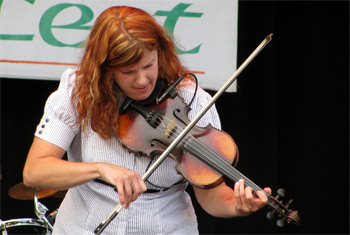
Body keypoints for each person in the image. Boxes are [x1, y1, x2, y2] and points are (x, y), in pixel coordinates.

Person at [23, 6, 271, 235]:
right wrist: (100, 169)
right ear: (104, 69)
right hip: (83, 228)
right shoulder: (78, 91)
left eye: (148, 65)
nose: (141, 80)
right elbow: (35, 172)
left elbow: (211, 196)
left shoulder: (191, 100)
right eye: (128, 72)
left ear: (160, 54)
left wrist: (238, 206)